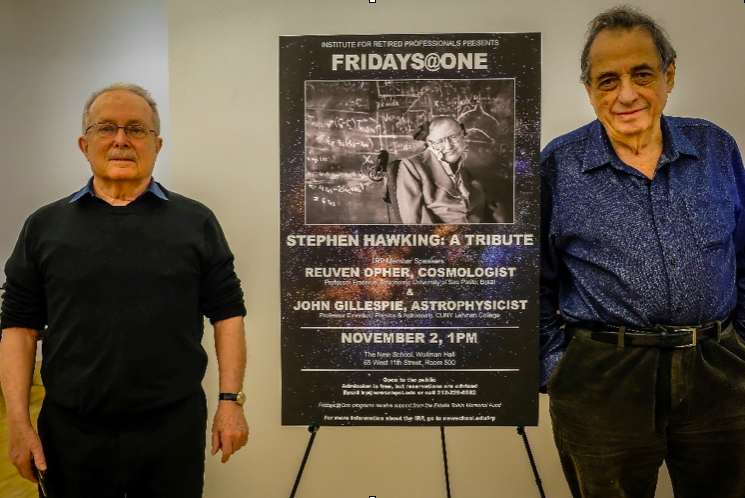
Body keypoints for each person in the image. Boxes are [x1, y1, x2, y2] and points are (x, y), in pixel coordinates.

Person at [0, 83, 249, 498]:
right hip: (71, 430)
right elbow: (18, 329)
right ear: (84, 144)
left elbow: (228, 314)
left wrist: (231, 402)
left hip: (171, 428)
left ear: (157, 144)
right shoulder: (44, 226)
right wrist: (19, 425)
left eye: (136, 129)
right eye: (106, 128)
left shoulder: (196, 222)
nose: (120, 140)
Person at [541, 6, 745, 497]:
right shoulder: (557, 165)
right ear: (589, 90)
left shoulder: (716, 148)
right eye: (607, 81)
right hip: (603, 381)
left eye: (642, 74)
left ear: (669, 75)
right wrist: (559, 369)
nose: (626, 94)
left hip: (718, 375)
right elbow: (532, 283)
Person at [396, 116, 491, 224]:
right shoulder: (412, 166)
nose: (448, 146)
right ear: (430, 143)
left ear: (462, 135)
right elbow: (413, 220)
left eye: (453, 137)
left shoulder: (465, 171)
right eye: (439, 141)